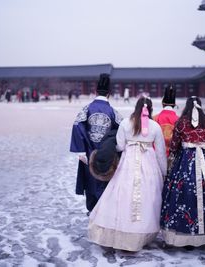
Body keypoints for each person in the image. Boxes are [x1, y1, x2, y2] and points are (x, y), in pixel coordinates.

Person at [88, 97, 167, 252]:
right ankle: (142, 232)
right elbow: (161, 154)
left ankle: (119, 230)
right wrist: (164, 172)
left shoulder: (125, 123)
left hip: (128, 162)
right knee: (148, 196)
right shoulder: (155, 126)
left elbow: (120, 146)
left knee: (122, 195)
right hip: (148, 163)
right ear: (150, 110)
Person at [160, 96, 205, 247]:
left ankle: (185, 235)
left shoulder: (180, 123)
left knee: (183, 194)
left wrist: (185, 144)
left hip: (185, 161)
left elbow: (173, 146)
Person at [70, 73, 123, 212]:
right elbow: (122, 130)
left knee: (90, 183)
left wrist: (81, 150)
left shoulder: (87, 109)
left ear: (95, 92)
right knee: (104, 184)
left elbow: (77, 125)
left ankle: (92, 212)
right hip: (106, 157)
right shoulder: (113, 112)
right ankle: (103, 213)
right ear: (109, 94)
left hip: (88, 154)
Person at [153, 85, 179, 156]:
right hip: (173, 154)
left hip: (156, 154)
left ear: (163, 104)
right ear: (174, 105)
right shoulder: (179, 120)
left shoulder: (155, 118)